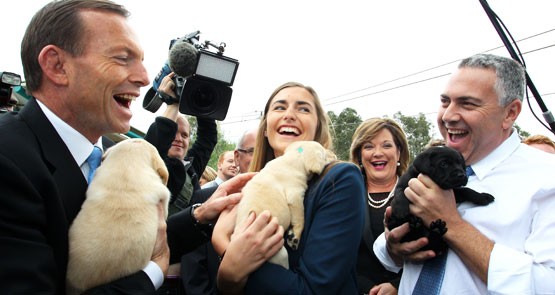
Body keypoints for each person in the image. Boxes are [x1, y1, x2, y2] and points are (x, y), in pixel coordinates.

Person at [0, 1, 245, 293]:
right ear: (57, 65)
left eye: (141, 61)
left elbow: (124, 247)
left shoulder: (106, 151)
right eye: (121, 58)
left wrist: (199, 216)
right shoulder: (8, 160)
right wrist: (153, 272)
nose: (143, 78)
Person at [374, 53, 555, 294]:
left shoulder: (547, 178)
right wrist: (393, 247)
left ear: (510, 113)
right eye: (445, 101)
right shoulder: (432, 165)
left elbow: (547, 284)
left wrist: (452, 225)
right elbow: (386, 254)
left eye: (467, 104)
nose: (448, 115)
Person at [211, 81, 366, 294]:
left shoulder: (339, 179)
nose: (290, 115)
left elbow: (312, 290)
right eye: (280, 107)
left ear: (318, 127)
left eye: (303, 109)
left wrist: (227, 250)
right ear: (265, 128)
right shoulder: (246, 189)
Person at [181, 128, 258, 295]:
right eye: (253, 151)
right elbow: (193, 271)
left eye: (267, 151)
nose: (261, 156)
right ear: (237, 157)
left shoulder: (282, 203)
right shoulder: (206, 200)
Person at [349, 117, 410, 295]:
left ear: (399, 152)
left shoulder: (417, 192)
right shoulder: (344, 195)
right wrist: (366, 288)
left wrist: (398, 286)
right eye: (368, 146)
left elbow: (434, 248)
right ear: (359, 155)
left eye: (386, 145)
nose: (377, 153)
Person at [144, 71, 218, 215]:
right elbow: (154, 145)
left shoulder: (191, 170)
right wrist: (173, 105)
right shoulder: (149, 163)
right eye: (173, 132)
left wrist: (200, 95)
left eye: (184, 135)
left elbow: (207, 138)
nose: (179, 138)